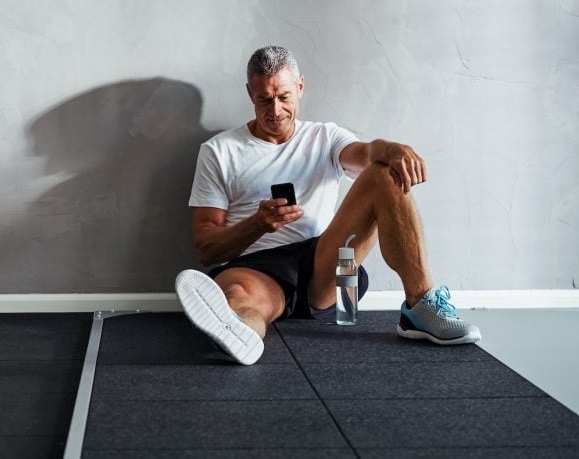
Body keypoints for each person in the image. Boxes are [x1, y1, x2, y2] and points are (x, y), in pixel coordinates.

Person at [175, 45, 480, 365]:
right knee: (238, 299)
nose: (275, 109)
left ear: (300, 87)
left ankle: (420, 306)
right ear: (250, 93)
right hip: (256, 270)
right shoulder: (219, 151)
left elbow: (365, 153)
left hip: (329, 267)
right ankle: (239, 333)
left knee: (383, 171)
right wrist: (258, 224)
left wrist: (392, 149)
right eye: (264, 99)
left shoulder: (324, 136)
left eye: (284, 96)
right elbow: (207, 249)